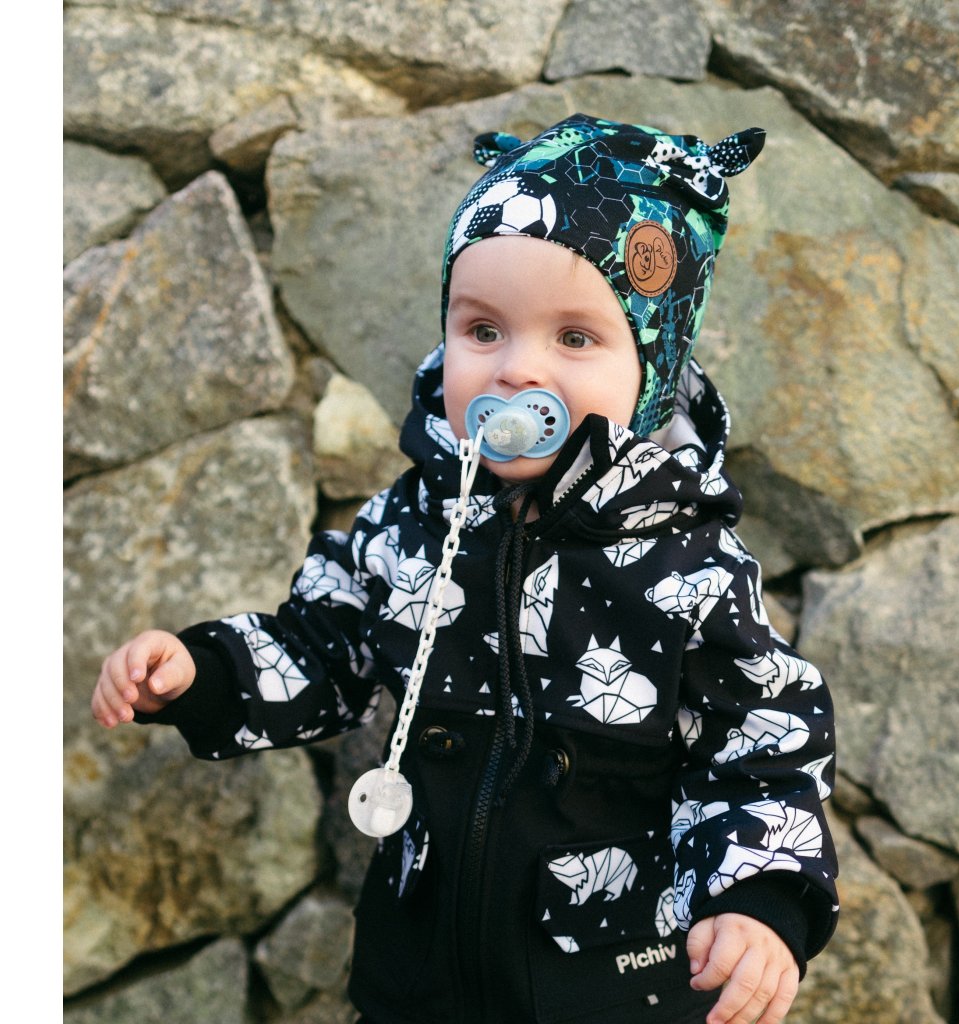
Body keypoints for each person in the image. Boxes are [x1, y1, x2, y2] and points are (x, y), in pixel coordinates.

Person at [91, 114, 839, 1024]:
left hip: (610, 988)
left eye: (575, 339)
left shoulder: (688, 563)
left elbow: (762, 747)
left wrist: (761, 903)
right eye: (483, 329)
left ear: (651, 368)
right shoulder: (413, 519)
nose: (516, 369)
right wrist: (202, 672)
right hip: (421, 976)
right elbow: (322, 648)